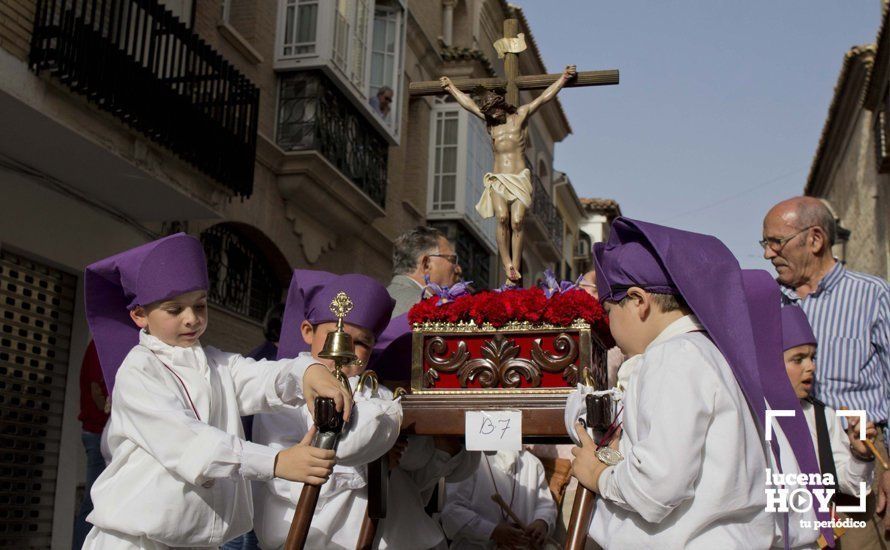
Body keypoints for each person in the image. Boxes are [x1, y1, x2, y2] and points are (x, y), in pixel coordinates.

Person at [568, 217, 830, 548]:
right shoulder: (715, 355)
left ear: (638, 301)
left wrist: (599, 475)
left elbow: (656, 489)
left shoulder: (672, 356)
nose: (610, 327)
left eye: (609, 312)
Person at [80, 233, 351, 549]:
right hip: (136, 541)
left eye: (200, 305)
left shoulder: (213, 362)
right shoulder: (138, 371)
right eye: (174, 309)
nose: (191, 319)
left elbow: (258, 376)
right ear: (140, 314)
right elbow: (190, 443)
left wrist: (306, 371)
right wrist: (276, 462)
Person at [762, 196, 890, 543]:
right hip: (787, 473)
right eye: (766, 243)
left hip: (860, 466)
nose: (768, 254)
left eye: (776, 242)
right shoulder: (767, 302)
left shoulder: (873, 296)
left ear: (815, 239)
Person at [251, 270, 402, 549]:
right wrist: (368, 463)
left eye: (361, 343)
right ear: (308, 331)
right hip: (294, 535)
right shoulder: (286, 388)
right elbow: (288, 480)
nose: (348, 350)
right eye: (338, 337)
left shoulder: (377, 393)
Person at [440, 65, 576, 285]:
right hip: (498, 179)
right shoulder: (490, 125)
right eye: (488, 111)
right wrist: (451, 88)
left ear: (500, 106)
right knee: (502, 217)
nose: (490, 114)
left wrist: (562, 79)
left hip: (519, 178)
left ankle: (516, 261)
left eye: (492, 110)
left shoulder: (519, 117)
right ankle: (508, 264)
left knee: (517, 220)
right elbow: (469, 104)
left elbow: (542, 99)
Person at [773, 303, 877, 549]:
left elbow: (849, 485)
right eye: (798, 359)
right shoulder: (758, 414)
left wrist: (860, 456)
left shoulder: (822, 416)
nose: (811, 367)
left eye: (812, 357)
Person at [224, 304, 285, 550]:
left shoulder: (255, 355)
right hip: (253, 456)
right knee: (247, 534)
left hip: (245, 455)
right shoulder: (273, 362)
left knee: (237, 533)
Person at [441, 450, 557, 549]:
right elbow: (452, 510)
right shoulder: (470, 459)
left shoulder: (532, 463)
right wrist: (492, 531)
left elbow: (545, 504)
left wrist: (541, 522)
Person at [72, 340, 110, 550]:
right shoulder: (101, 346)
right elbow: (97, 391)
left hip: (100, 432)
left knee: (98, 500)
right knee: (93, 501)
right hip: (98, 433)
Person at [388, 227, 461, 317]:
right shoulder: (429, 308)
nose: (458, 269)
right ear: (426, 264)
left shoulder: (376, 300)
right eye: (452, 260)